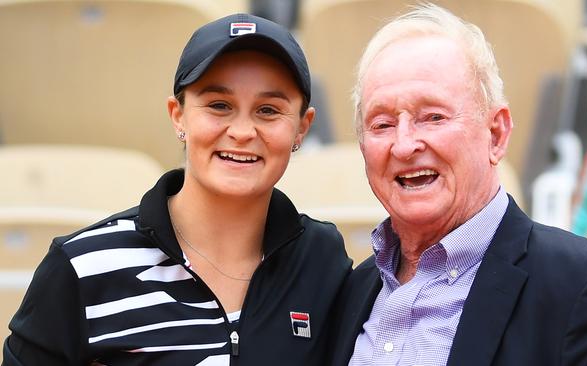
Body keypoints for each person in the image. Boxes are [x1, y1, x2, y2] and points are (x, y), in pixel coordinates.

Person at [3, 13, 351, 365]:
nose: (243, 131)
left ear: (302, 128)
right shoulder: (82, 266)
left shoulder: (323, 259)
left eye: (268, 110)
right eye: (219, 105)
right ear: (178, 116)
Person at [330, 3, 587, 365]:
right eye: (382, 124)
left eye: (433, 117)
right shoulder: (351, 291)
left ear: (496, 134)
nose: (404, 145)